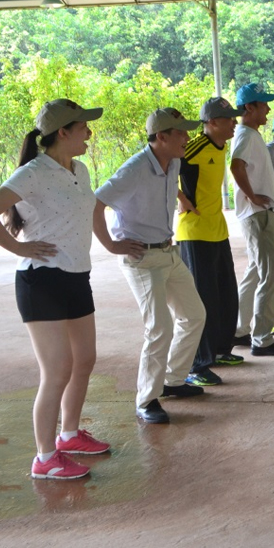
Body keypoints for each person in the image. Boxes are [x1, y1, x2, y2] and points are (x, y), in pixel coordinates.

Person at [0, 99, 111, 479]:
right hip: (42, 279)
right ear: (62, 132)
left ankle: (69, 435)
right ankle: (45, 458)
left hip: (76, 275)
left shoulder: (79, 169)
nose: (89, 133)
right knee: (58, 369)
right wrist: (18, 248)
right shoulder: (34, 172)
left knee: (84, 360)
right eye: (83, 127)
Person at [93, 108, 208, 425]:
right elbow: (96, 203)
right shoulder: (134, 169)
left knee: (194, 315)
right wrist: (111, 245)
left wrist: (181, 199)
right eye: (180, 133)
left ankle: (173, 380)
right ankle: (147, 399)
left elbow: (168, 187)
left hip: (168, 252)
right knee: (160, 328)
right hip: (141, 258)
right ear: (161, 137)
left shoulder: (173, 161)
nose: (187, 137)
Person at [176, 96, 243, 387]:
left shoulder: (221, 145)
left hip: (217, 231)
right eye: (229, 120)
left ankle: (220, 350)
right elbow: (163, 165)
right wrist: (181, 198)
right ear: (212, 122)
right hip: (194, 234)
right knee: (201, 301)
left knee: (226, 295)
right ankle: (197, 365)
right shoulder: (194, 147)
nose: (234, 124)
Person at [230, 83, 274, 357]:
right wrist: (253, 196)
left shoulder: (250, 134)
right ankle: (262, 338)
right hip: (259, 215)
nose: (268, 108)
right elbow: (236, 166)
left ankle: (240, 329)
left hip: (258, 214)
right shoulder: (245, 134)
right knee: (270, 275)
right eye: (263, 104)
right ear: (249, 107)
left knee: (256, 272)